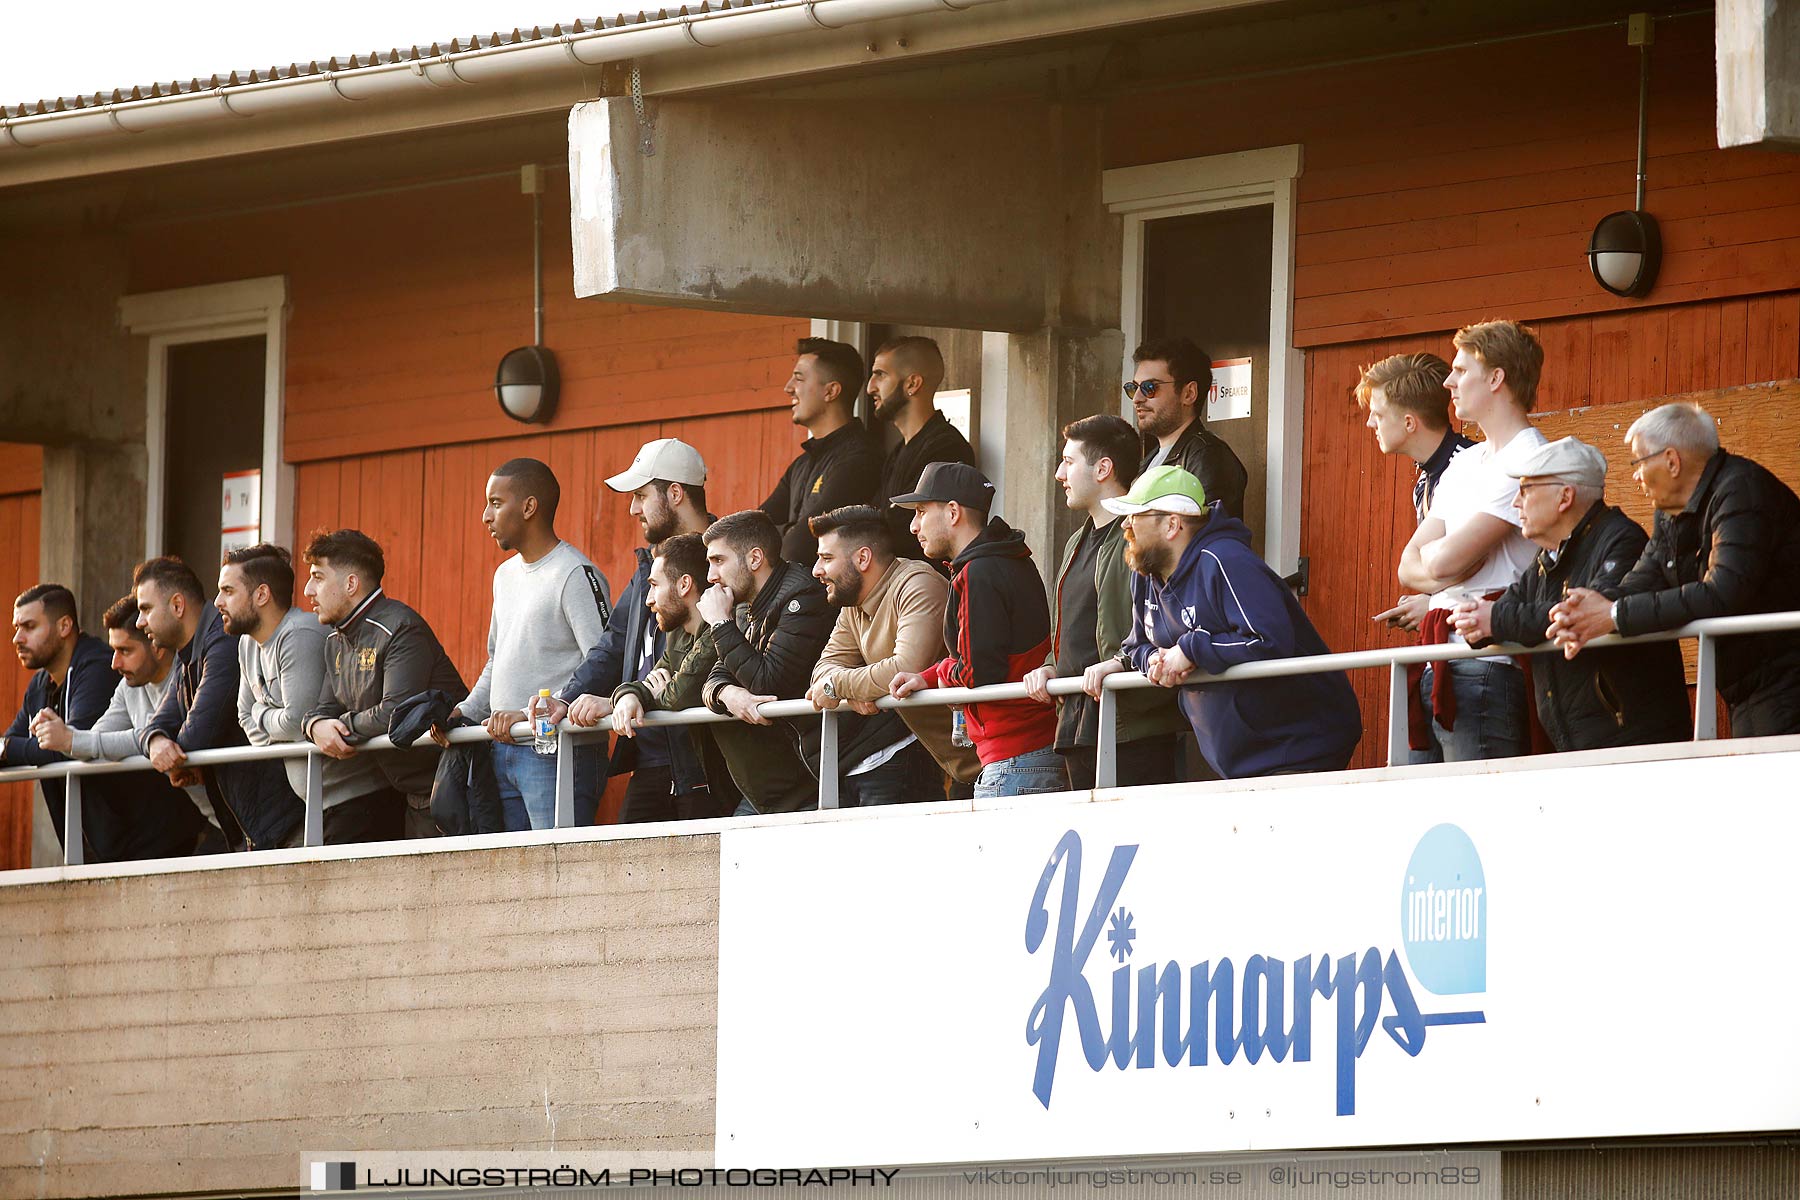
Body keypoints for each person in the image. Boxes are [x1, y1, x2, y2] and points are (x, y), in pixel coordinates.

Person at [1090, 465, 1361, 778]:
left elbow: (1268, 639)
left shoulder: (1225, 560)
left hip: (1299, 743)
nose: (1126, 524)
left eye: (1137, 516)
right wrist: (1153, 659)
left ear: (1172, 525)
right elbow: (1137, 645)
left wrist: (1190, 649)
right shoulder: (1145, 575)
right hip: (1239, 757)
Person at [1548, 402, 1800, 736]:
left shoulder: (1741, 490)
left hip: (1786, 677)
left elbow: (1723, 592)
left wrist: (1613, 614)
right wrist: (1584, 609)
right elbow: (1643, 579)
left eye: (1638, 462)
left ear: (1671, 460)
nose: (1635, 475)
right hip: (1752, 683)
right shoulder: (1671, 514)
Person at [1450, 437, 1690, 752]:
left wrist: (1493, 619)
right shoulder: (1545, 559)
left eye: (1526, 490)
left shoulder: (1622, 540)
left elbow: (1579, 613)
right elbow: (1508, 614)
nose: (1515, 503)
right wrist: (1477, 623)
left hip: (1635, 745)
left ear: (1565, 497)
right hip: (1580, 744)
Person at [535, 438, 719, 823]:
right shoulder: (645, 571)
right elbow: (612, 645)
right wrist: (566, 701)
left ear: (674, 493)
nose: (633, 508)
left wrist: (628, 699)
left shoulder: (726, 560)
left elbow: (714, 653)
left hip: (706, 760)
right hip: (647, 752)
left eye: (640, 495)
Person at [1396, 319, 1548, 762]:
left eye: (1461, 371)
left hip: (1489, 667)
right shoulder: (1465, 463)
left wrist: (1442, 565)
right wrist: (1448, 566)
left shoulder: (1528, 459)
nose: (1449, 381)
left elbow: (1439, 563)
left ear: (1497, 378)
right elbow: (1408, 565)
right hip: (1440, 658)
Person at [1024, 415, 1188, 790]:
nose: (1058, 474)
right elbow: (1075, 628)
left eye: (1069, 461)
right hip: (1079, 725)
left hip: (1133, 726)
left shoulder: (1143, 536)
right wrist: (1051, 667)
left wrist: (1119, 662)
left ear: (1103, 469)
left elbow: (1169, 620)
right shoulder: (1074, 543)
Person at [889, 462, 1065, 797]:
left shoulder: (978, 571)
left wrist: (939, 677)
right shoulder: (1008, 559)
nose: (914, 526)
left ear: (953, 512)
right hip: (1034, 753)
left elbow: (977, 671)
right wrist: (928, 676)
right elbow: (980, 660)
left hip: (1014, 762)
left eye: (922, 511)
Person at [454, 458, 610, 831]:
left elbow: (604, 664)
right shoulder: (503, 576)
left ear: (528, 507)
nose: (484, 517)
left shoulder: (575, 574)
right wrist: (462, 713)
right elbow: (497, 661)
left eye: (495, 503)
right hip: (502, 751)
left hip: (557, 752)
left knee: (559, 875)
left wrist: (528, 716)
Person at [806, 505, 977, 804]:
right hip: (957, 766)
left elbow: (904, 668)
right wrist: (849, 687)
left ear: (862, 558)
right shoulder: (852, 605)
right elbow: (823, 669)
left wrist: (838, 687)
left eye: (826, 558)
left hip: (986, 761)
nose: (816, 570)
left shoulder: (916, 583)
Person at [301, 529, 464, 839]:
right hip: (412, 800)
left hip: (453, 792)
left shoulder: (401, 627)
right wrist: (315, 726)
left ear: (351, 584)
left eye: (318, 577)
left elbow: (395, 713)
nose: (309, 590)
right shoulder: (335, 641)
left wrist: (340, 725)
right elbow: (321, 710)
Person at [222, 542, 389, 844]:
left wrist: (263, 712)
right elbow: (247, 724)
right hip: (316, 805)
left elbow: (298, 721)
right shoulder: (247, 645)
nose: (218, 601)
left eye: (228, 591)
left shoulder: (299, 634)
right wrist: (277, 721)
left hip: (357, 801)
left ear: (261, 595)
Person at [30, 594, 217, 858]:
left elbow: (167, 737)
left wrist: (71, 739)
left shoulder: (190, 672)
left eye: (125, 651)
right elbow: (96, 741)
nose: (114, 663)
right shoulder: (129, 686)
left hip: (229, 818)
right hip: (210, 821)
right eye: (114, 650)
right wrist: (64, 736)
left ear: (156, 645)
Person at [137, 557, 301, 851]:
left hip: (284, 826)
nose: (139, 622)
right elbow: (161, 720)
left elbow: (198, 734)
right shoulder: (187, 655)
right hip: (253, 829)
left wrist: (176, 756)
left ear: (177, 606)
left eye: (145, 609)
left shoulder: (223, 642)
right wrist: (155, 741)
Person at [698, 510, 833, 814]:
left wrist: (720, 624)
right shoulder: (747, 608)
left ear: (755, 558)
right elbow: (715, 677)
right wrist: (726, 694)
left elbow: (769, 683)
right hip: (769, 789)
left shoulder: (803, 596)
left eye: (719, 561)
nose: (710, 576)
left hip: (808, 781)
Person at [606, 533, 739, 820]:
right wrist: (627, 695)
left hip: (714, 782)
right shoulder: (676, 633)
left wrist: (652, 693)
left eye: (654, 586)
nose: (649, 600)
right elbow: (650, 683)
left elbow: (677, 695)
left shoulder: (716, 626)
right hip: (675, 772)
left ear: (684, 584)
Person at [4, 584, 123, 857]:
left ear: (64, 626)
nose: (17, 638)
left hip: (145, 849)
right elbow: (11, 743)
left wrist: (9, 748)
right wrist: (7, 748)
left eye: (29, 626)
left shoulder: (98, 667)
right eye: (16, 628)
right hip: (90, 853)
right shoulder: (40, 685)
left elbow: (74, 747)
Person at [1357, 351, 1471, 637]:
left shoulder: (1472, 466)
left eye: (1378, 414)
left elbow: (1497, 569)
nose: (1370, 423)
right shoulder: (1424, 482)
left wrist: (1436, 603)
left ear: (1409, 423)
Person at [761, 337, 882, 564]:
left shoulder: (860, 459)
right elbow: (752, 530)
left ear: (831, 391)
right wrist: (789, 530)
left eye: (798, 378)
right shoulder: (800, 465)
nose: (788, 388)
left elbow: (799, 546)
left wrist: (785, 533)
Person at [868, 336, 978, 562]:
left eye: (880, 374)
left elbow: (895, 529)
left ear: (912, 384)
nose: (870, 387)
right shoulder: (899, 451)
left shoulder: (947, 448)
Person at [1126, 336, 1248, 523]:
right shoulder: (1151, 460)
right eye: (1133, 388)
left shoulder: (1207, 456)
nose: (1137, 398)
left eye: (1150, 387)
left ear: (1189, 393)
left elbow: (1206, 537)